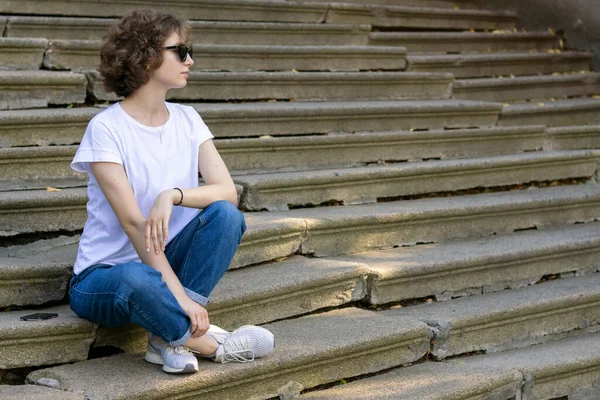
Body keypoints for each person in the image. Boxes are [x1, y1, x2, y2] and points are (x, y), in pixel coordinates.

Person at [68, 8, 274, 374]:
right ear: (145, 57)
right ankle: (209, 344)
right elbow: (134, 225)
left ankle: (166, 337)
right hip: (105, 277)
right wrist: (182, 300)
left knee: (225, 216)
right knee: (136, 277)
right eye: (180, 51)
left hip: (165, 264)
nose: (189, 60)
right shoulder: (106, 129)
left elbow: (227, 192)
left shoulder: (188, 119)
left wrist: (173, 195)